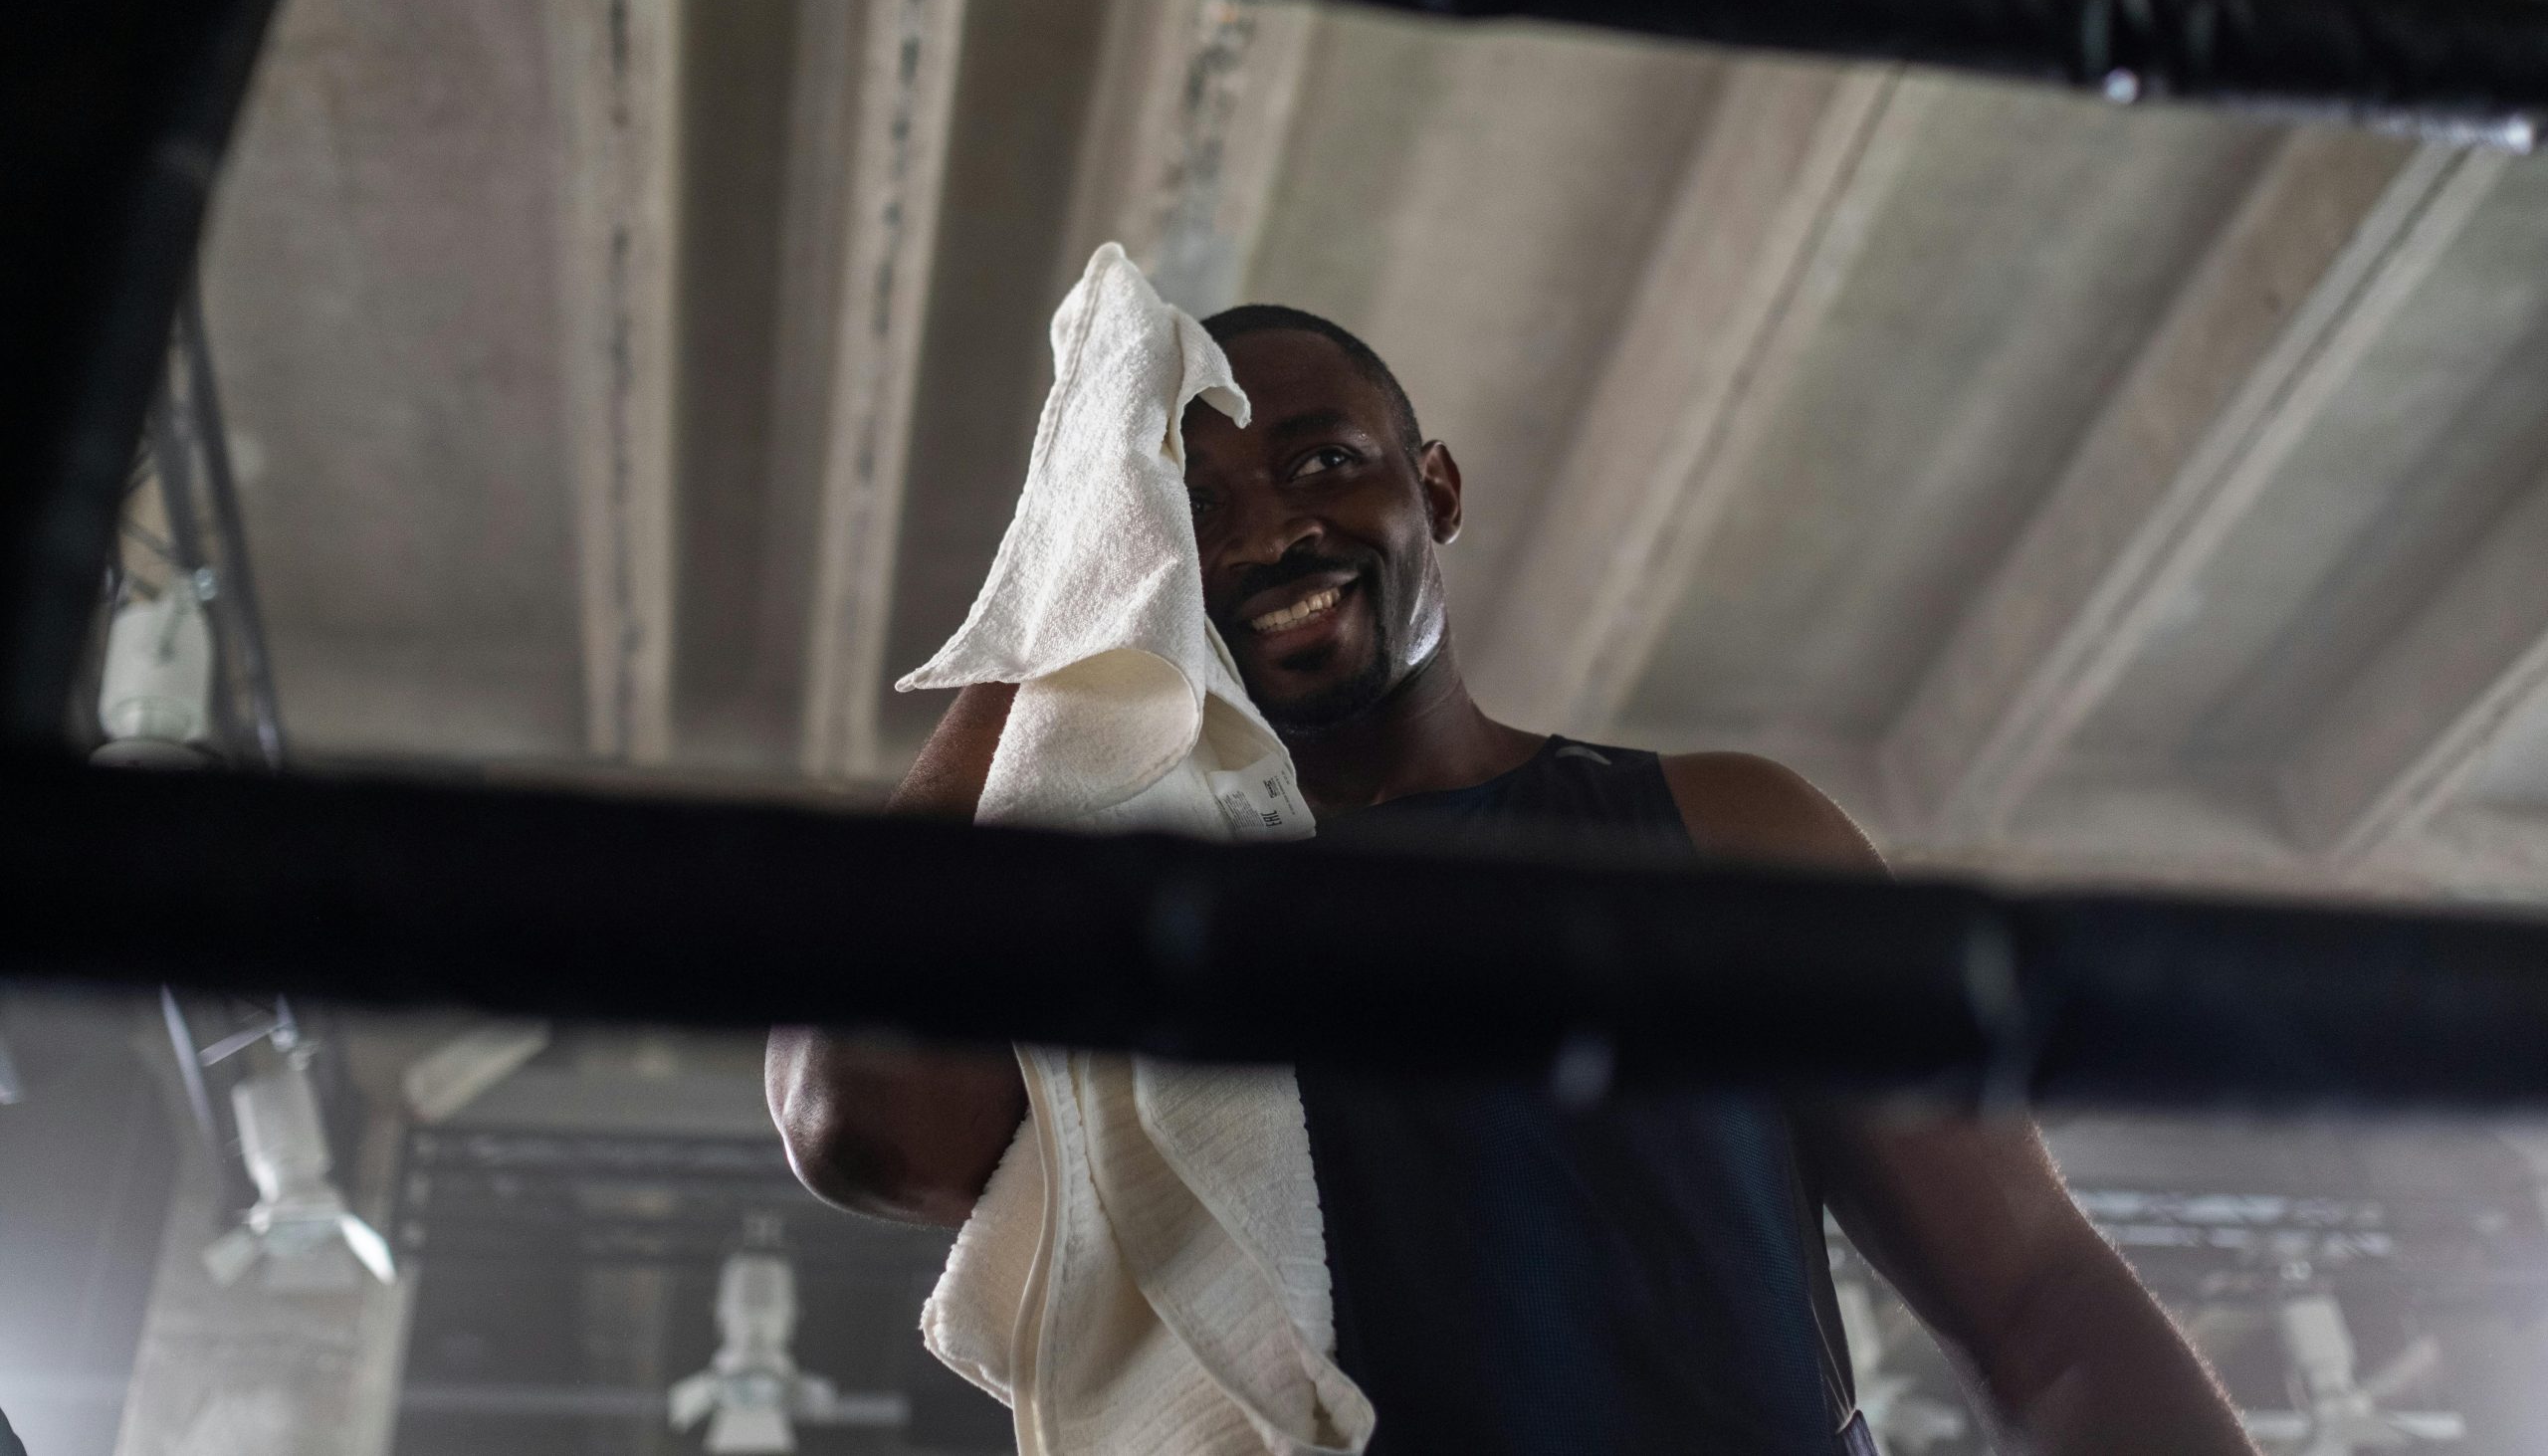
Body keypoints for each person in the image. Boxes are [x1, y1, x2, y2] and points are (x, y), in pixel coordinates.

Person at [767, 306, 2257, 1455]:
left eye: (1323, 462)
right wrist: (1062, 571)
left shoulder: (1721, 833)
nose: (1270, 530)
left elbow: (2038, 1299)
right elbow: (864, 1127)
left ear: (1438, 490)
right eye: (1189, 507)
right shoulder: (1136, 915)